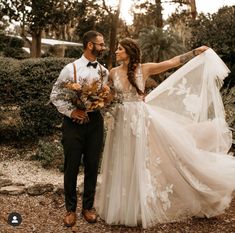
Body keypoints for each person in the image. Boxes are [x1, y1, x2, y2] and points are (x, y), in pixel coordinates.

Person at [95, 38, 235, 228]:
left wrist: (194, 52)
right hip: (119, 121)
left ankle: (138, 207)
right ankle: (121, 205)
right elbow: (106, 93)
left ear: (128, 51)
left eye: (120, 49)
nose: (116, 51)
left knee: (139, 159)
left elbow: (172, 62)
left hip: (138, 119)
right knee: (122, 159)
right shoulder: (112, 73)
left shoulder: (144, 69)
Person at [50, 30, 109, 227]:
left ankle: (88, 207)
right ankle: (70, 209)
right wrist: (71, 112)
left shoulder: (104, 71)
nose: (103, 48)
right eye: (100, 44)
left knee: (92, 166)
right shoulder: (70, 68)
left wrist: (105, 100)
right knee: (71, 166)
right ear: (90, 45)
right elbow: (55, 95)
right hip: (73, 124)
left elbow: (103, 99)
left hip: (95, 123)